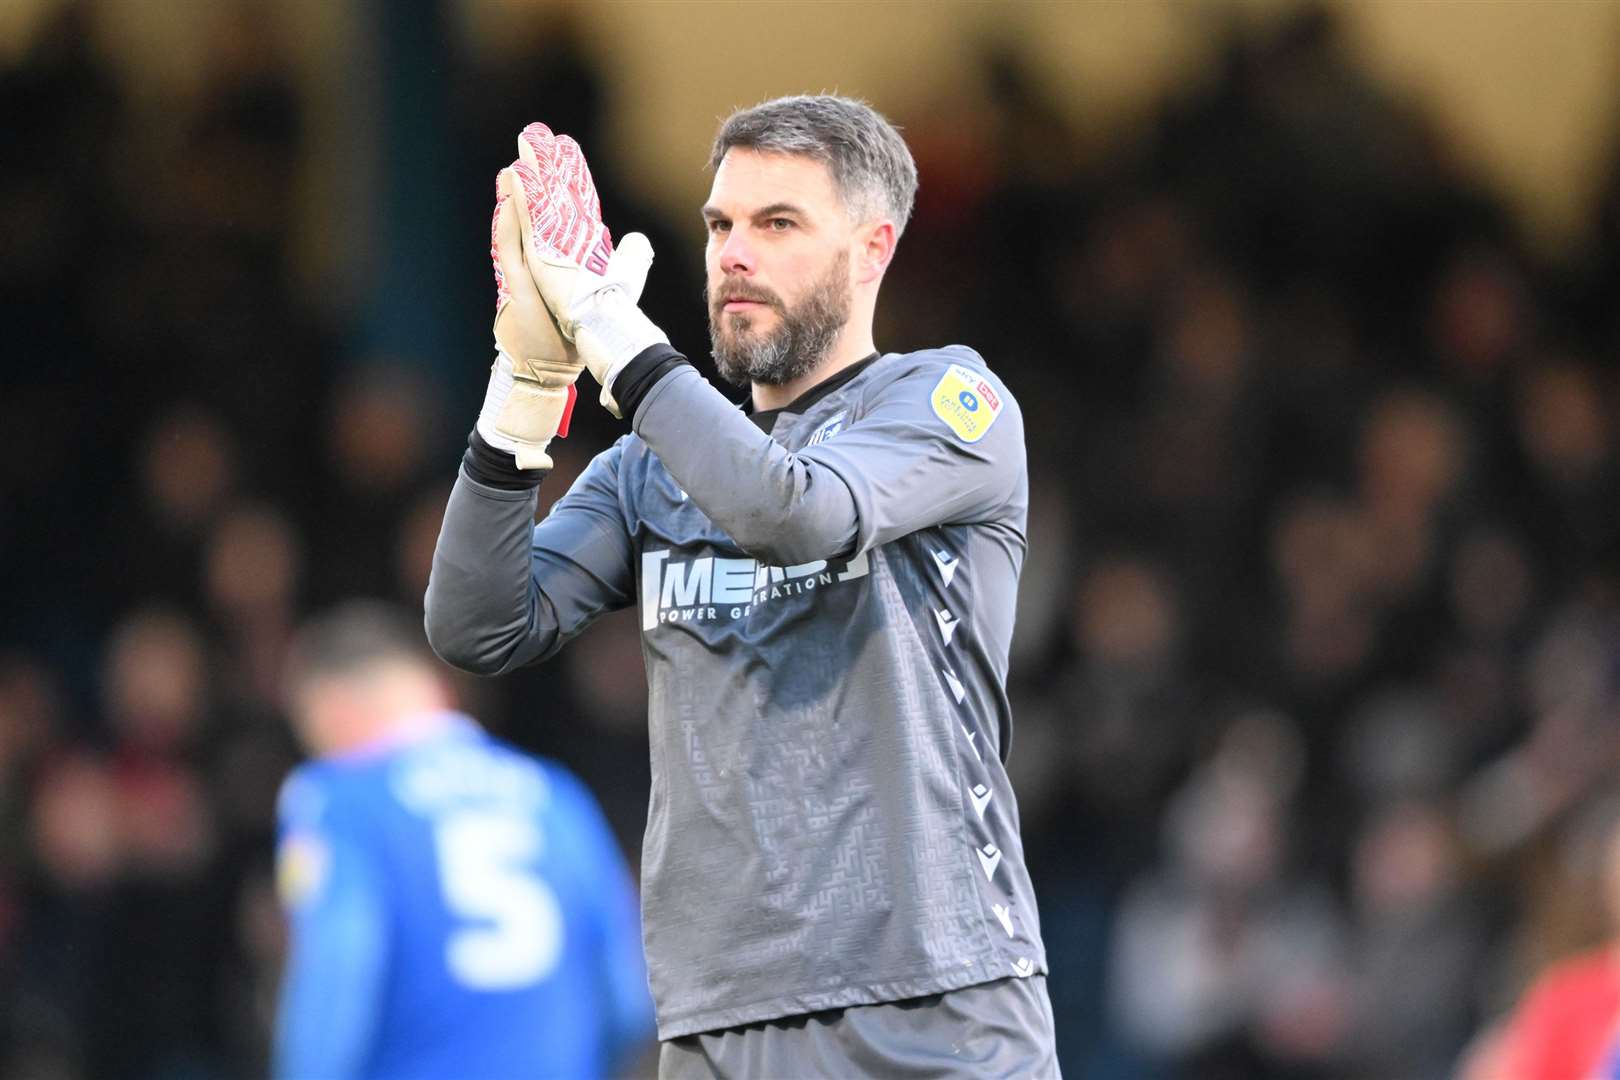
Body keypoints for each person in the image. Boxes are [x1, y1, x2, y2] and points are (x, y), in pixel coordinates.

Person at [427, 95, 1059, 1075]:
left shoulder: (947, 405)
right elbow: (480, 628)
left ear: (872, 248)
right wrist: (525, 384)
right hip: (720, 1024)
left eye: (778, 224)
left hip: (935, 1004)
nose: (733, 253)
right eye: (720, 224)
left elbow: (793, 511)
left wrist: (608, 322)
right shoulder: (650, 468)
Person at [272, 602, 654, 1079]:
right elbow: (627, 997)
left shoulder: (337, 798)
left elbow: (338, 979)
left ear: (332, 707)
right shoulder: (554, 793)